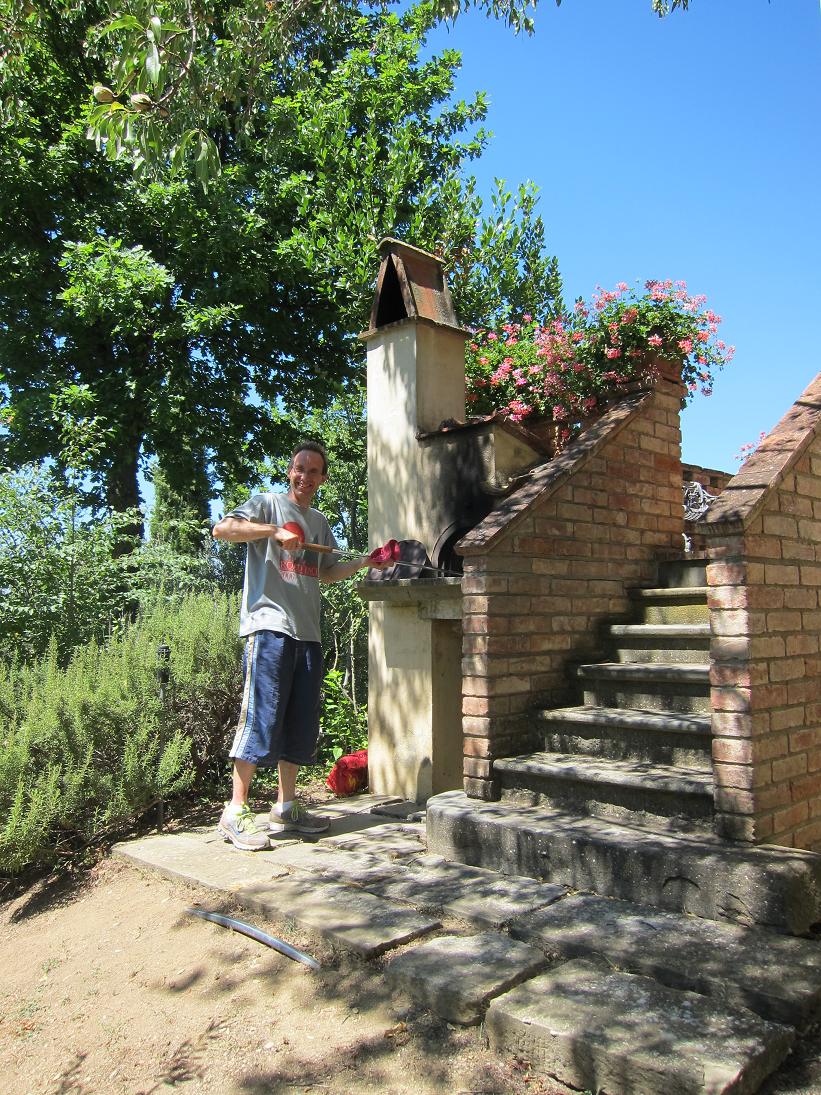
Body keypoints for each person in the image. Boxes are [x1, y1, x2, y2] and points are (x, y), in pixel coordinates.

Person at [212, 440, 383, 850]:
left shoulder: (320, 522)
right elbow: (223, 529)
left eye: (313, 471)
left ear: (322, 479)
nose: (304, 476)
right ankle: (235, 812)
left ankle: (286, 807)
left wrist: (364, 563)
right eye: (298, 468)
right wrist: (273, 531)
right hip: (269, 626)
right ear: (290, 471)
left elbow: (325, 573)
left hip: (308, 633)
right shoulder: (267, 504)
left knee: (299, 722)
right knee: (261, 716)